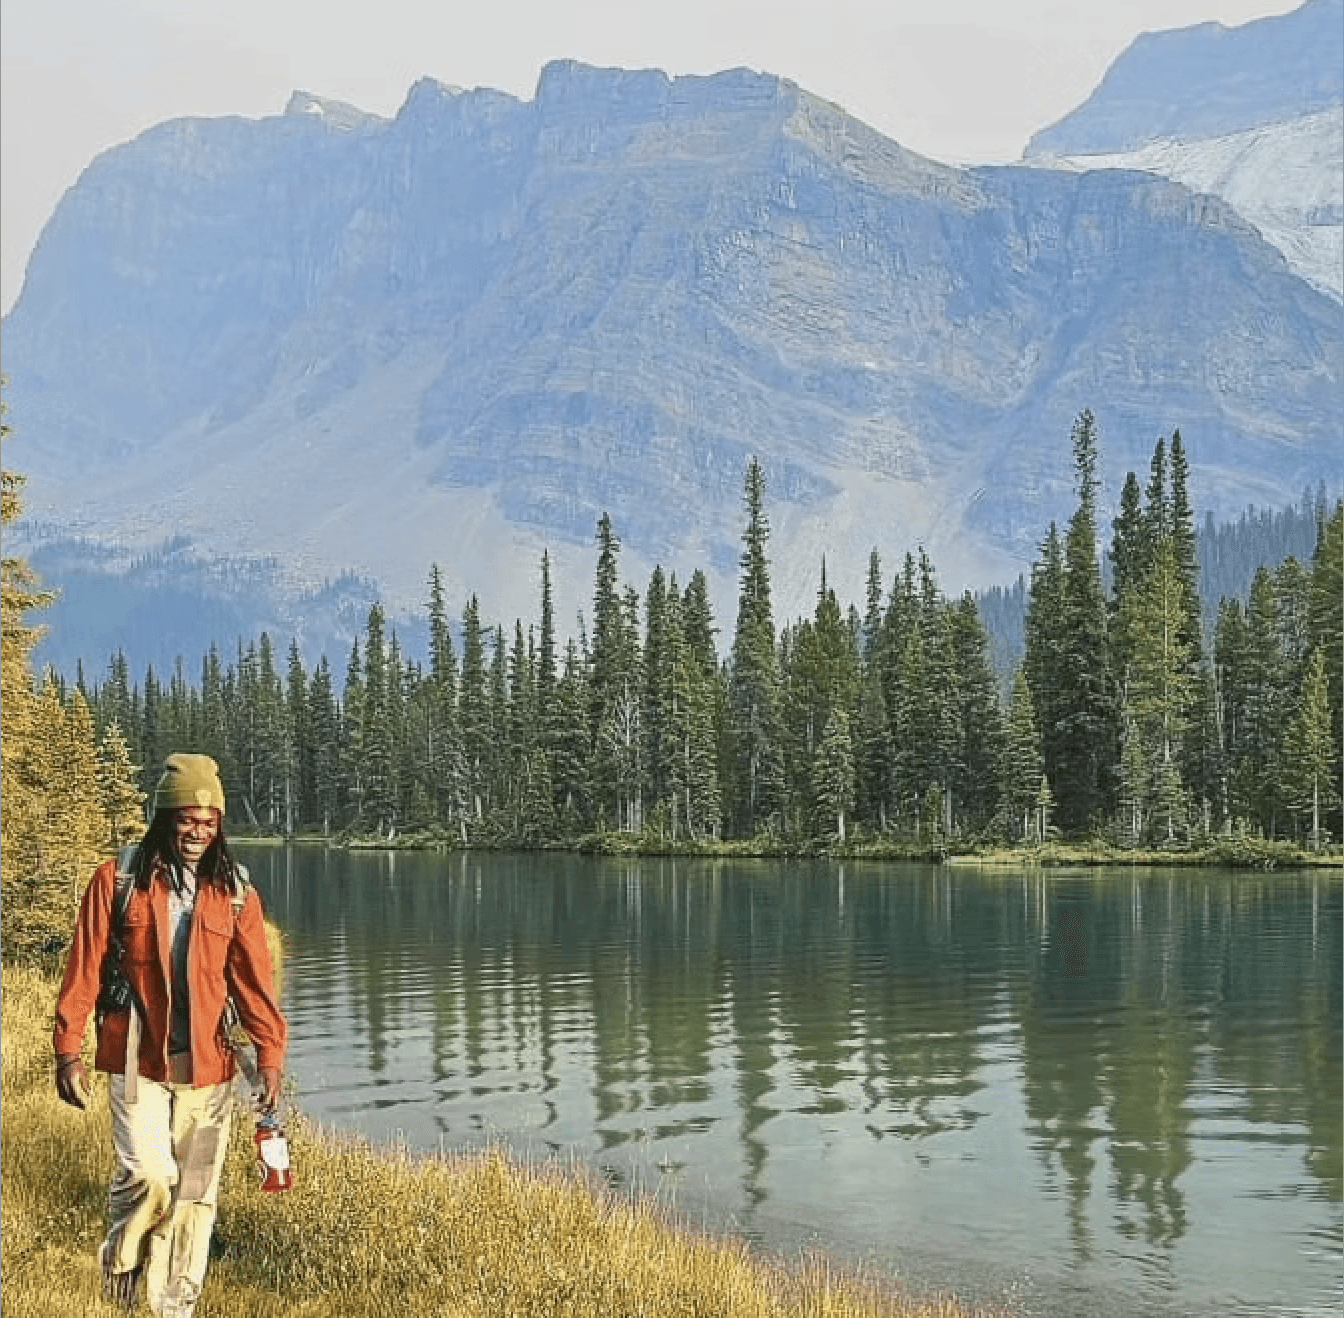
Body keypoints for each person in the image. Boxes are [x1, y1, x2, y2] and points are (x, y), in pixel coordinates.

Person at [53, 753, 288, 1317]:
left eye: (209, 822)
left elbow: (255, 986)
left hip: (210, 1072)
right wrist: (68, 1051)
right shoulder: (120, 880)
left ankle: (174, 1306)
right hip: (137, 1062)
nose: (198, 833)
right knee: (149, 1175)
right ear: (165, 818)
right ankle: (123, 1280)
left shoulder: (236, 893)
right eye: (187, 819)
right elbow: (83, 968)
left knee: (195, 1196)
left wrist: (270, 1058)